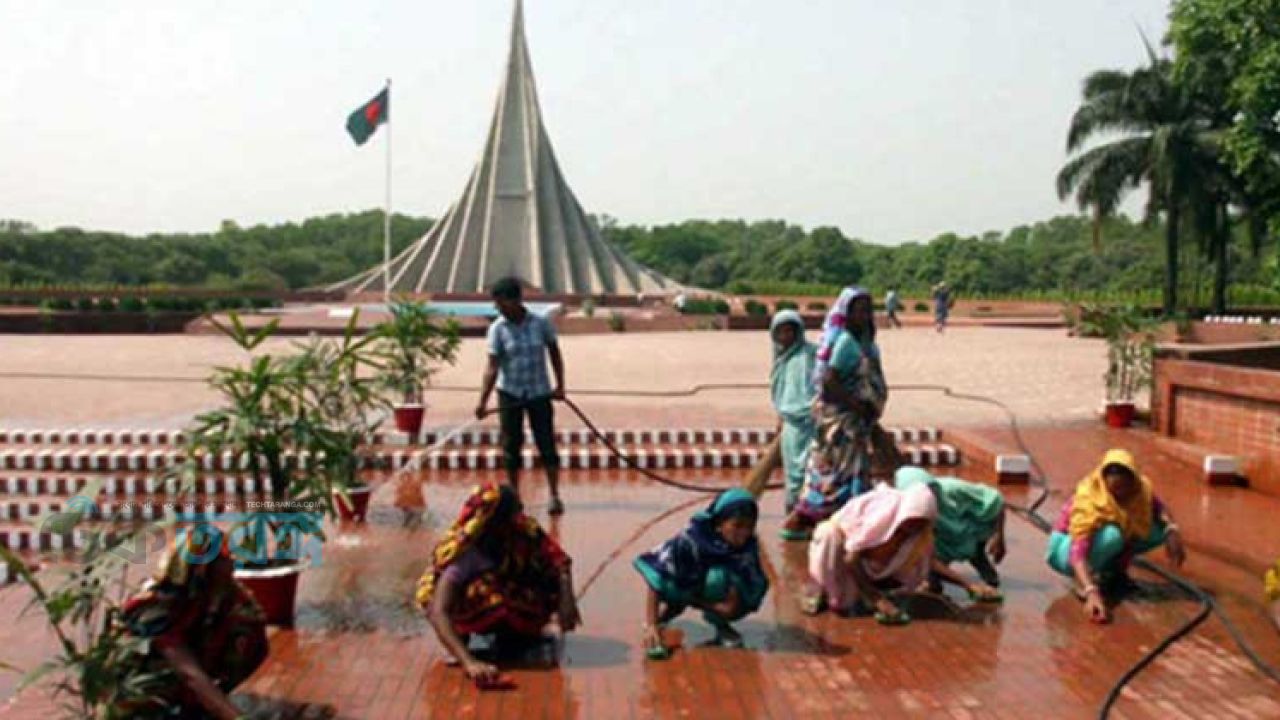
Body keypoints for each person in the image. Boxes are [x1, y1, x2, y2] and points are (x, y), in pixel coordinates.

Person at [417, 483, 582, 684]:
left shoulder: (524, 532)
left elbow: (560, 563)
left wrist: (567, 601)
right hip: (469, 606)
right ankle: (462, 637)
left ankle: (516, 633)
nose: (520, 519)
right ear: (494, 523)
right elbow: (438, 610)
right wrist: (469, 662)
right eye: (514, 515)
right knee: (486, 589)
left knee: (538, 581)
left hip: (513, 597)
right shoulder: (466, 552)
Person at [118, 536, 268, 720]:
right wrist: (235, 717)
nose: (231, 562)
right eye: (222, 558)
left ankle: (205, 702)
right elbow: (188, 672)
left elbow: (254, 622)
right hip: (149, 685)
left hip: (194, 666)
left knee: (245, 632)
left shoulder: (220, 593)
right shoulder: (155, 607)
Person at [780, 287, 888, 541]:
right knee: (836, 476)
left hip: (852, 424)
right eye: (859, 310)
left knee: (842, 475)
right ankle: (804, 520)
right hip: (842, 424)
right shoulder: (846, 343)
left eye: (868, 309)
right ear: (846, 313)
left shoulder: (862, 342)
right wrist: (857, 405)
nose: (865, 315)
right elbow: (829, 383)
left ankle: (840, 525)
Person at [1045, 449, 1187, 624]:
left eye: (1125, 489)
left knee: (1157, 529)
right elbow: (1078, 551)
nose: (1120, 496)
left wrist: (1172, 531)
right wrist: (1091, 592)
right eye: (1115, 491)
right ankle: (1082, 581)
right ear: (1104, 483)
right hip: (1065, 550)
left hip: (1101, 539)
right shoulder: (1090, 498)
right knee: (1113, 535)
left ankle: (1113, 572)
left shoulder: (1140, 491)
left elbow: (1159, 508)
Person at [634, 489, 769, 658]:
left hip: (701, 593)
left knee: (719, 579)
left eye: (749, 526)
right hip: (681, 583)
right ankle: (663, 617)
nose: (744, 533)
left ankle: (720, 625)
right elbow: (657, 577)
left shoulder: (747, 549)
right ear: (719, 524)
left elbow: (754, 584)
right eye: (737, 525)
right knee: (681, 581)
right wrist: (651, 623)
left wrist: (733, 604)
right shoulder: (689, 542)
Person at [476, 276, 567, 514]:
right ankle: (515, 495)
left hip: (539, 392)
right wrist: (482, 402)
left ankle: (554, 495)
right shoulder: (497, 329)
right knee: (511, 446)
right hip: (510, 393)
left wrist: (560, 386)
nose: (497, 308)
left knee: (546, 442)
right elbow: (492, 367)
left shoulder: (540, 323)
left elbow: (554, 353)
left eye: (500, 302)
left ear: (515, 300)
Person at [804, 484, 956, 623]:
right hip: (841, 552)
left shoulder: (920, 534)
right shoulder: (881, 517)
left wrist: (967, 584)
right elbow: (851, 559)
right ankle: (820, 589)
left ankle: (862, 590)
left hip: (866, 566)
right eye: (912, 520)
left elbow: (930, 562)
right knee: (828, 535)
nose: (913, 527)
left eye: (921, 523)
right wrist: (876, 599)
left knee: (850, 600)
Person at [893, 465, 1007, 595]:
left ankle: (978, 556)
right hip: (943, 540)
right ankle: (933, 577)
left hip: (970, 527)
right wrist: (968, 585)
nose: (927, 499)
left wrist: (999, 537)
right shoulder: (912, 516)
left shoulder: (953, 490)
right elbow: (928, 557)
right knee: (925, 563)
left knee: (981, 529)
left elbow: (996, 501)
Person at [769, 310, 817, 517]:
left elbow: (814, 389)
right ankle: (794, 513)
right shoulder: (782, 360)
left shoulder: (809, 355)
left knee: (809, 470)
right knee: (793, 474)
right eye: (781, 332)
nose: (786, 337)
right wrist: (780, 417)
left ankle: (807, 514)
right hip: (791, 426)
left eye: (790, 331)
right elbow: (782, 394)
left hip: (810, 424)